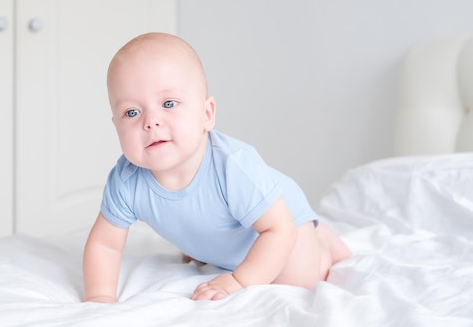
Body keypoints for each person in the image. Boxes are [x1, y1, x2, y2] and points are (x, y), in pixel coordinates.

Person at [83, 32, 351, 303]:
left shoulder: (232, 165)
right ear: (115, 124)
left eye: (168, 104)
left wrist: (238, 280)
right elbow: (105, 245)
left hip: (282, 223)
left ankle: (322, 242)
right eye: (131, 112)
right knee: (217, 250)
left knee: (299, 282)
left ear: (207, 114)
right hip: (225, 240)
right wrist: (100, 296)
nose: (151, 121)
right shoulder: (126, 179)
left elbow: (279, 230)